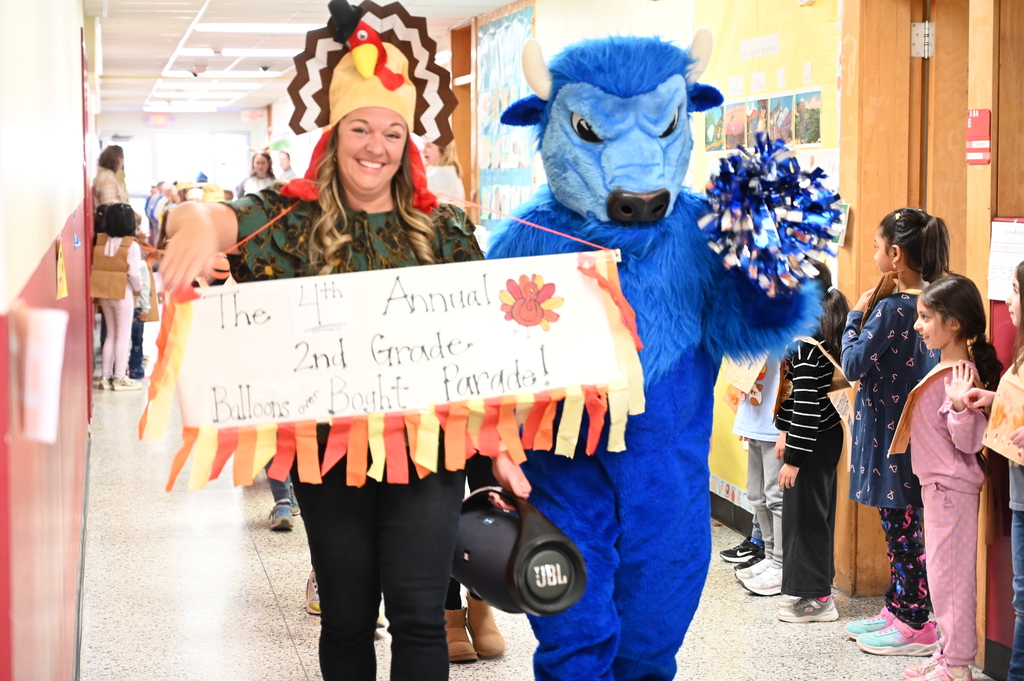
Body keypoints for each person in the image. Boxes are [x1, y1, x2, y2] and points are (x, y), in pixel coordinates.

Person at [159, 3, 477, 677]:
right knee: (348, 617)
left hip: (432, 447)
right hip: (330, 450)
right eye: (360, 127)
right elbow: (217, 218)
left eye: (392, 132)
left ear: (408, 143)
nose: (376, 146)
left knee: (421, 616)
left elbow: (478, 339)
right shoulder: (288, 220)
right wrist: (191, 223)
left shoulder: (444, 227)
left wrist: (503, 454)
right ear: (334, 134)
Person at [841, 207, 949, 656]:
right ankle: (899, 605)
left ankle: (914, 620)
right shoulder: (929, 306)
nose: (873, 252)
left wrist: (855, 314)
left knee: (900, 528)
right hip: (913, 437)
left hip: (890, 441)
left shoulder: (888, 309)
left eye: (876, 245)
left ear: (897, 254)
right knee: (903, 526)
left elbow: (851, 364)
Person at [899, 275, 1000, 681]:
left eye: (925, 317)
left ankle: (958, 666)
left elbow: (971, 440)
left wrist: (960, 406)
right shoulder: (945, 369)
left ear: (953, 322)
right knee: (940, 580)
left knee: (951, 580)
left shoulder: (961, 375)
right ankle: (948, 655)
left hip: (951, 491)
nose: (918, 326)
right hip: (938, 490)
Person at [774, 261, 850, 623]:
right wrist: (783, 431)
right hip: (819, 437)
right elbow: (798, 400)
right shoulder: (815, 336)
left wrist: (793, 458)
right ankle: (813, 590)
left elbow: (806, 406)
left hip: (813, 441)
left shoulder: (807, 345)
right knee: (810, 514)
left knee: (806, 518)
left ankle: (817, 598)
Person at [963, 260, 1024, 681]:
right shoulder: (1020, 354)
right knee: (1022, 595)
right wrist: (992, 399)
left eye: (1015, 291)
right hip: (1020, 496)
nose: (1009, 301)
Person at [732, 358, 787, 596]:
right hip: (754, 414)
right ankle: (770, 556)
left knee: (776, 496)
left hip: (775, 422)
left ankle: (781, 564)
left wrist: (786, 430)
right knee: (755, 493)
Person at [92, 202, 143, 391]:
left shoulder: (101, 241)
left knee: (110, 335)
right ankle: (120, 377)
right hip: (123, 293)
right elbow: (134, 274)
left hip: (104, 293)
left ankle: (105, 377)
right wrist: (139, 289)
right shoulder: (131, 245)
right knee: (123, 336)